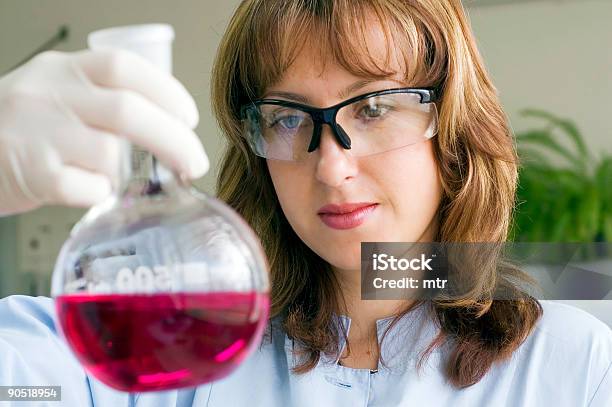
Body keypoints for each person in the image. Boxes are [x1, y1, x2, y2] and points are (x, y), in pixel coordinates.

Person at [0, 0, 611, 406]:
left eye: (373, 108)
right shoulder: (162, 349)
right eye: (289, 118)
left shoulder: (574, 366)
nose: (332, 166)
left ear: (452, 127)